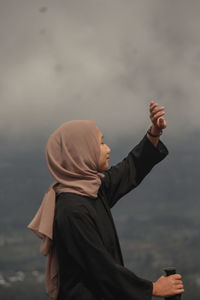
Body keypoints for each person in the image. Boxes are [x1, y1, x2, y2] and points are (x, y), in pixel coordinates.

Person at [28, 101, 184, 300]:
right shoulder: (72, 210)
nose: (107, 148)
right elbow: (100, 267)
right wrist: (152, 288)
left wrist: (154, 133)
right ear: (81, 152)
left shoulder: (91, 190)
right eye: (100, 143)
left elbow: (129, 169)